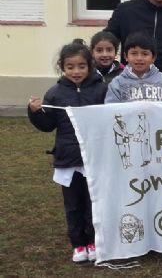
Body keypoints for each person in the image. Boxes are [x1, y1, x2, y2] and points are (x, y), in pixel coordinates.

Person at [27, 40, 107, 263]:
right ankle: (78, 244)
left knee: (93, 203)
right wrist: (34, 112)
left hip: (94, 158)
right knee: (73, 204)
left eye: (81, 66)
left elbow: (109, 120)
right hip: (68, 159)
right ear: (62, 67)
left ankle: (93, 241)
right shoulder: (55, 93)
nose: (76, 71)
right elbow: (47, 125)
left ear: (89, 66)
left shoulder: (101, 89)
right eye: (70, 67)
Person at [105, 31, 162, 103]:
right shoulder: (117, 84)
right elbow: (111, 111)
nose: (139, 58)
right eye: (134, 53)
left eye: (145, 54)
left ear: (153, 57)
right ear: (126, 56)